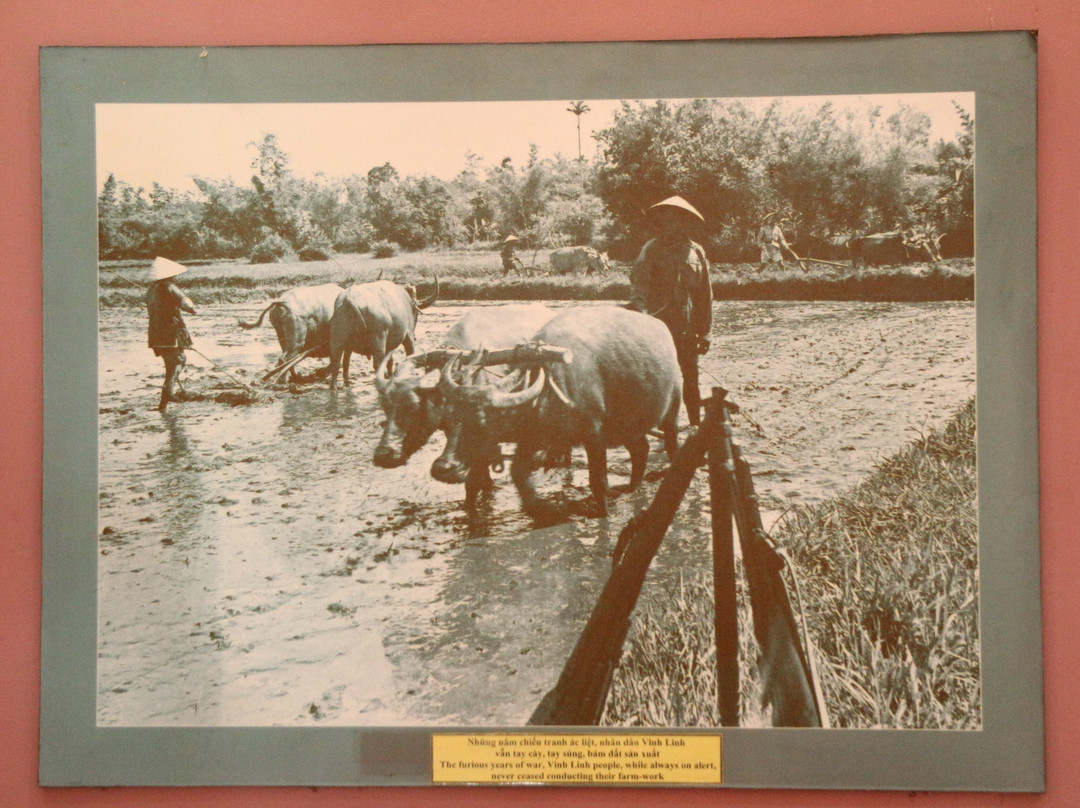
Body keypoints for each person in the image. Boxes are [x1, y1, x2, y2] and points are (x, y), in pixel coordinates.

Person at [628, 196, 712, 426]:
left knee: (691, 378)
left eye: (676, 221)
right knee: (658, 379)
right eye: (667, 220)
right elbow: (639, 284)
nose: (671, 225)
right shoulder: (652, 248)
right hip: (658, 326)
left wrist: (705, 331)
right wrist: (640, 312)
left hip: (687, 327)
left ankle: (695, 425)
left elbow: (705, 295)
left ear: (685, 223)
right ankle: (663, 426)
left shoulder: (696, 252)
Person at [146, 256, 196, 412]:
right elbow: (186, 303)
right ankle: (169, 392)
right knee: (178, 359)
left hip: (156, 332)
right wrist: (192, 310)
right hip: (170, 331)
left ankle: (163, 404)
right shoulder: (169, 287)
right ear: (170, 274)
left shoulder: (151, 289)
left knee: (170, 363)